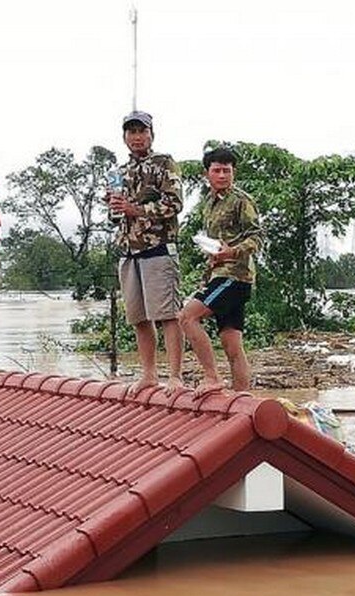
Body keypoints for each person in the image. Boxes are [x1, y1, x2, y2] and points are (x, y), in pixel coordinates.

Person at [107, 111, 184, 395]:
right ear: (124, 137)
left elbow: (174, 204)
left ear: (152, 134)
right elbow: (115, 217)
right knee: (138, 317)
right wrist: (115, 207)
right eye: (131, 132)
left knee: (168, 314)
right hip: (128, 250)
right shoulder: (118, 172)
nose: (137, 137)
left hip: (158, 248)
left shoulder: (165, 164)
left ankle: (175, 376)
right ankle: (149, 374)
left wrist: (136, 209)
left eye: (142, 131)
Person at [178, 147, 262, 396]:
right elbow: (216, 243)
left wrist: (231, 252)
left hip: (235, 276)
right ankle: (241, 398)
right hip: (219, 273)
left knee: (187, 317)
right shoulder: (209, 203)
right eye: (217, 170)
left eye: (227, 170)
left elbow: (257, 237)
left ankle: (212, 377)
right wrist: (214, 258)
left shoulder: (241, 200)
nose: (223, 175)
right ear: (207, 174)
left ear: (234, 172)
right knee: (231, 343)